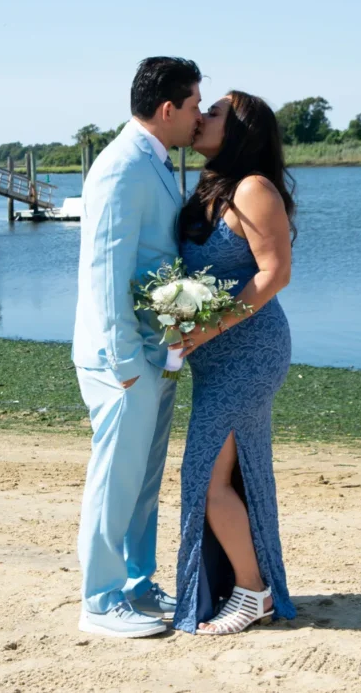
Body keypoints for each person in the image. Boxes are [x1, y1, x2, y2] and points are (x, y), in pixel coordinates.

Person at [72, 57, 203, 638]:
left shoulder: (156, 161)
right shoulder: (121, 166)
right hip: (122, 360)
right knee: (115, 477)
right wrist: (125, 362)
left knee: (144, 479)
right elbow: (106, 268)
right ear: (168, 108)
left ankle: (136, 583)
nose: (199, 115)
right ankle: (99, 602)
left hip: (157, 354)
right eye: (195, 104)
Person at [173, 91, 298, 635]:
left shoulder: (253, 189)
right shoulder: (211, 187)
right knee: (231, 474)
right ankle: (243, 586)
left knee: (204, 477)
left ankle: (251, 593)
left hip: (251, 352)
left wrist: (204, 328)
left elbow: (274, 273)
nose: (201, 118)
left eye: (215, 112)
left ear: (241, 129)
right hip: (213, 355)